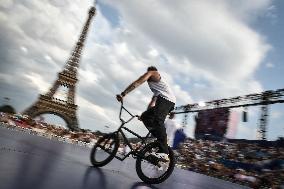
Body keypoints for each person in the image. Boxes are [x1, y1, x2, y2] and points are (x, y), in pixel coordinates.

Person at [116, 66, 176, 154]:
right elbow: (153, 102)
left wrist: (124, 93)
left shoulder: (152, 72)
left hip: (167, 100)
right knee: (146, 117)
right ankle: (159, 137)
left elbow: (138, 82)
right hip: (164, 101)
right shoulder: (158, 89)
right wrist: (145, 115)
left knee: (158, 121)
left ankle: (164, 150)